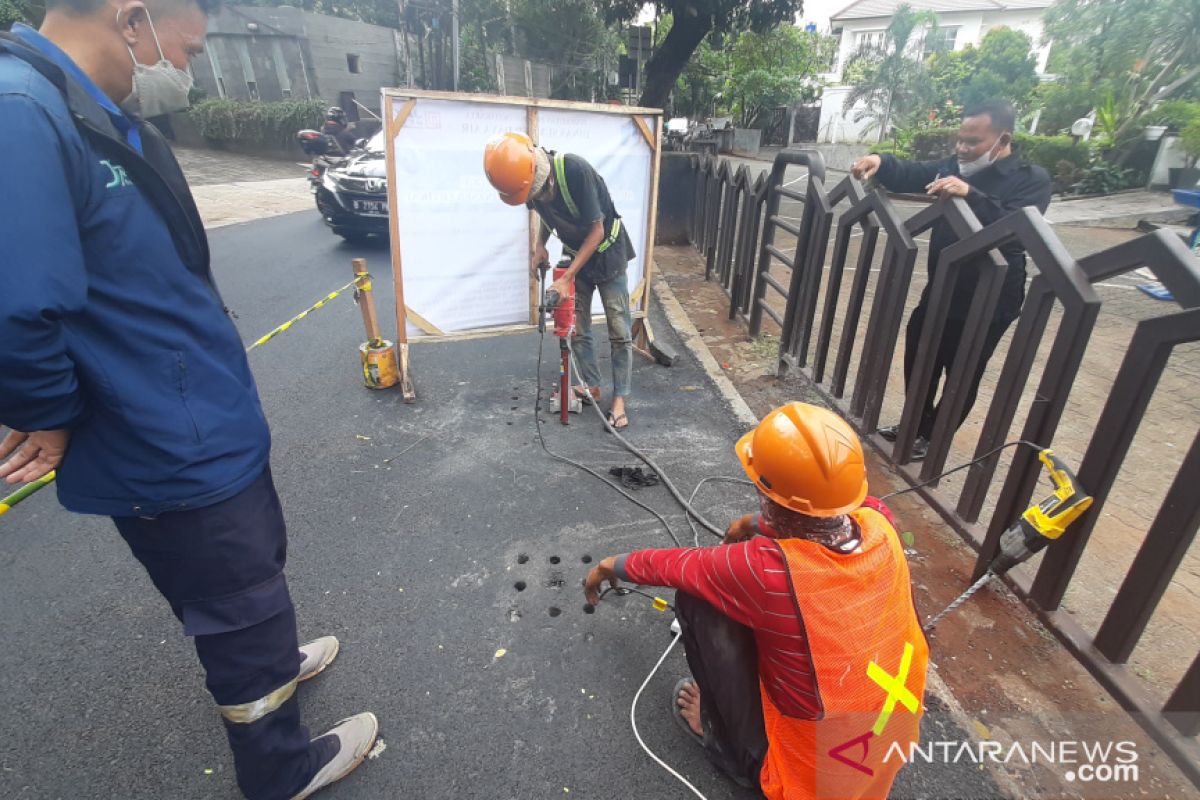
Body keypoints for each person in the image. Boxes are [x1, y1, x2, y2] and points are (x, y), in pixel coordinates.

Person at [0, 2, 377, 798]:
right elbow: (15, 303)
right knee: (234, 600)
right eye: (190, 48)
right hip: (166, 440)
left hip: (202, 416)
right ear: (132, 17)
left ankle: (268, 659)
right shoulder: (23, 113)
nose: (192, 65)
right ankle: (280, 765)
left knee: (252, 574)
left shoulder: (91, 110)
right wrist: (50, 411)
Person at [584, 402, 929, 799]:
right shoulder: (879, 523)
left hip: (807, 785)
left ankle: (731, 750)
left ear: (767, 491)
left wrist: (609, 566)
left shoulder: (766, 571)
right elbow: (813, 519)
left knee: (699, 602)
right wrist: (752, 524)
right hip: (885, 746)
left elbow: (675, 566)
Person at [851, 100, 1052, 460]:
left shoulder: (1029, 179)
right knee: (920, 348)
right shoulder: (952, 166)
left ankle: (934, 436)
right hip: (945, 284)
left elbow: (1021, 228)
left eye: (973, 142)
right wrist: (880, 161)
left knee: (962, 369)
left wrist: (971, 194)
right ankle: (914, 424)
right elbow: (914, 171)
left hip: (990, 296)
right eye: (960, 140)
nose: (962, 148)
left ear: (1003, 138)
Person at [483, 131, 637, 429]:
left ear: (537, 172)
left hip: (607, 254)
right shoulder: (530, 186)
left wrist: (566, 278)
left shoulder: (576, 171)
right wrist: (541, 246)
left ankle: (620, 399)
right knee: (577, 328)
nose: (531, 199)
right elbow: (546, 212)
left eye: (531, 194)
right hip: (576, 256)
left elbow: (597, 232)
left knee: (619, 330)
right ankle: (591, 384)